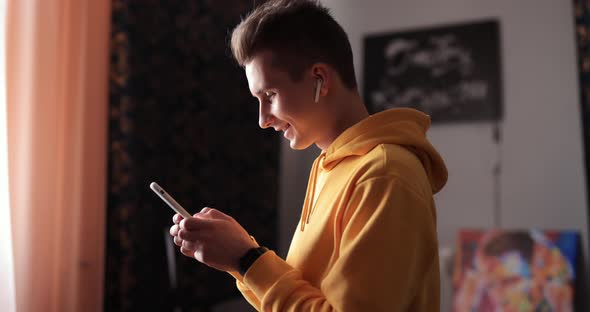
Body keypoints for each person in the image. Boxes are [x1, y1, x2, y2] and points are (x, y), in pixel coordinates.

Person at [169, 0, 448, 310]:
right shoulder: (331, 167)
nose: (263, 119)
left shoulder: (384, 175)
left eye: (270, 95)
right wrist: (239, 257)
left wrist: (246, 259)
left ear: (320, 79)